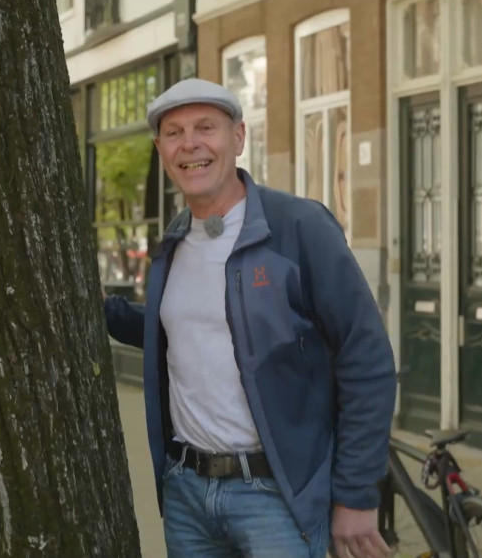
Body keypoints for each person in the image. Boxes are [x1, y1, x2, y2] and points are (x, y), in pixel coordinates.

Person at [103, 78, 397, 558]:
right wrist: (96, 312)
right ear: (161, 150)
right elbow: (180, 333)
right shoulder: (174, 243)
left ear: (238, 138)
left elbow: (367, 360)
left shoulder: (298, 228)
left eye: (205, 128)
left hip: (276, 499)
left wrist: (356, 495)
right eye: (174, 133)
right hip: (187, 496)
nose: (190, 144)